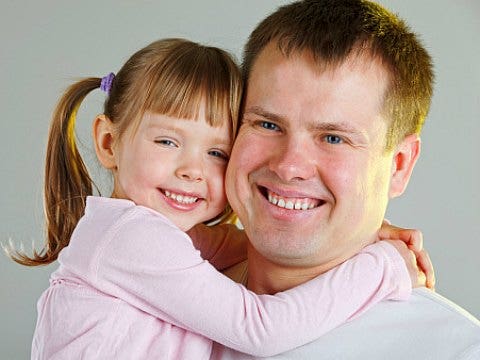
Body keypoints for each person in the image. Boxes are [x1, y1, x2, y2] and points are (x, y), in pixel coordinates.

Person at [10, 38, 430, 359]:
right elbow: (260, 329)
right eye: (167, 140)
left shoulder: (147, 234)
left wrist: (364, 234)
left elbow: (233, 246)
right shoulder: (130, 238)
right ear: (107, 142)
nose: (191, 170)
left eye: (216, 153)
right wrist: (385, 266)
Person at [212, 0, 480, 359]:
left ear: (399, 166)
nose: (289, 166)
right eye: (268, 124)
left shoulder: (454, 349)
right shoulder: (150, 296)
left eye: (333, 138)